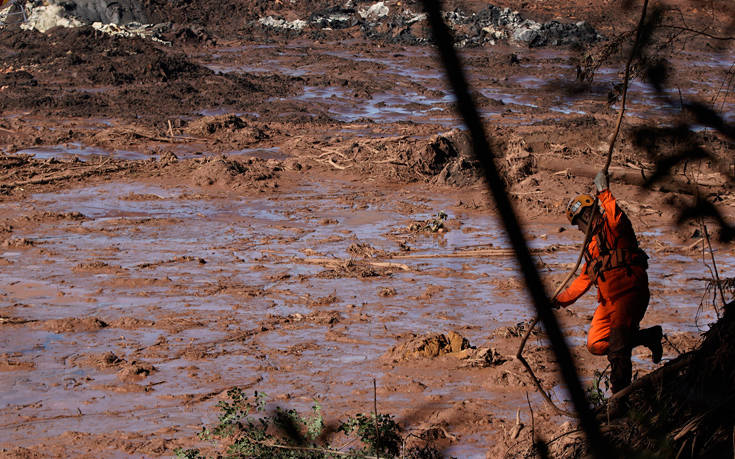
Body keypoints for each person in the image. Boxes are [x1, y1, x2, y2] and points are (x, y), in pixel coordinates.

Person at [553, 170, 663, 393]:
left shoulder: (614, 227)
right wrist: (558, 301)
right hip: (609, 302)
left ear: (588, 214)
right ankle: (649, 336)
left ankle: (620, 395)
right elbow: (583, 281)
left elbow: (614, 214)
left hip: (629, 292)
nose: (580, 229)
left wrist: (604, 192)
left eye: (579, 222)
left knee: (618, 348)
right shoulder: (591, 249)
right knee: (595, 343)